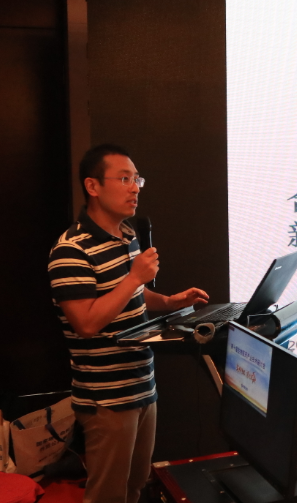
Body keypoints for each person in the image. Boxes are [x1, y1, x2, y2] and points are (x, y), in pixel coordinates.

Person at [48, 144, 209, 503]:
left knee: (136, 486)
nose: (135, 188)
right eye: (124, 179)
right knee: (108, 496)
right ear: (92, 186)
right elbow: (86, 323)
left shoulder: (127, 235)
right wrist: (135, 277)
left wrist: (170, 302)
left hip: (142, 385)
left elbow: (131, 297)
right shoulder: (70, 251)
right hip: (107, 399)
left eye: (137, 179)